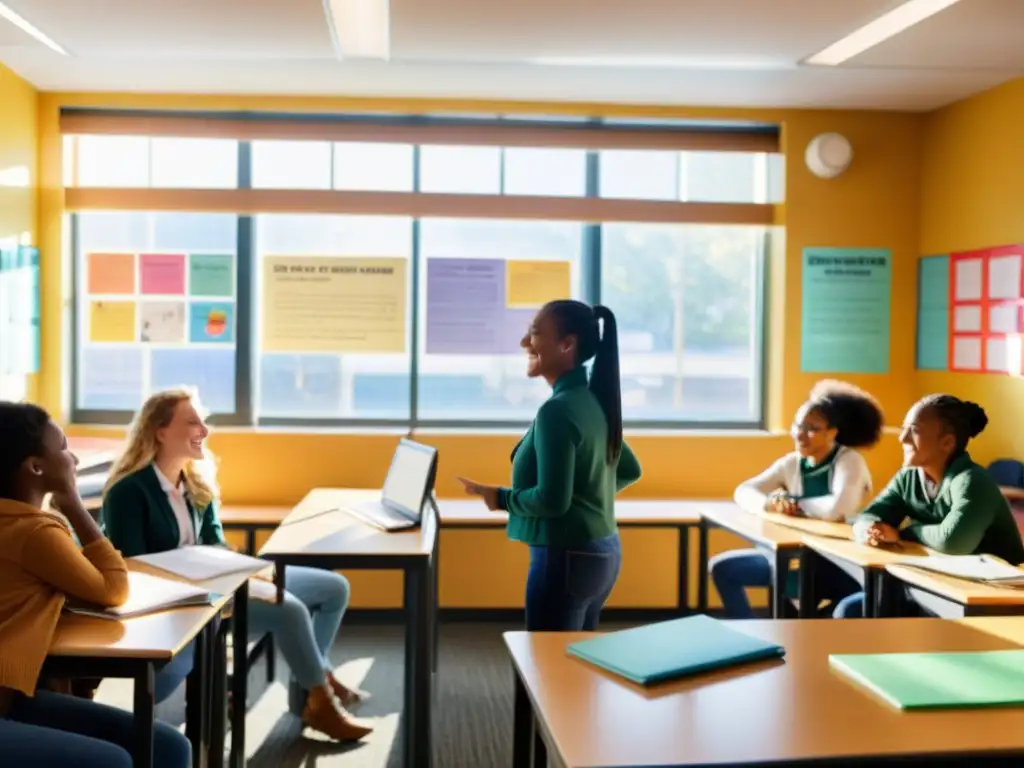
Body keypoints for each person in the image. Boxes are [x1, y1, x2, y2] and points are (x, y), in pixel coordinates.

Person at [101, 389, 372, 742]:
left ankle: (310, 682)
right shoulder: (128, 491)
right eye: (192, 421)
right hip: (185, 603)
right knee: (289, 610)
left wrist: (239, 566)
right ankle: (320, 698)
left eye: (203, 421)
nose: (204, 429)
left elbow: (214, 542)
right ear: (160, 431)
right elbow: (133, 567)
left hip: (219, 581)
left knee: (333, 588)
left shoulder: (197, 483)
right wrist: (205, 570)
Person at [0, 401, 191, 767]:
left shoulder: (22, 522)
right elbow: (112, 589)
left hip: (14, 694)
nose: (72, 459)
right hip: (8, 701)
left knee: (168, 747)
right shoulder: (34, 531)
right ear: (36, 467)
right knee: (114, 761)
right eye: (62, 448)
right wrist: (72, 503)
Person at [457, 300, 642, 631]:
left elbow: (552, 501)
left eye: (535, 334)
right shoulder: (591, 402)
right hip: (603, 551)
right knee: (573, 668)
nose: (524, 343)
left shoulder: (557, 411)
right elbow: (628, 469)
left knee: (547, 668)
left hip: (566, 557)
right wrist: (588, 499)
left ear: (566, 344)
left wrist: (499, 497)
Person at [710, 380, 884, 619]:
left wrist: (792, 502)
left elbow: (837, 509)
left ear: (833, 432)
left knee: (814, 606)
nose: (800, 435)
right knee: (724, 569)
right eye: (797, 426)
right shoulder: (791, 463)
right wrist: (770, 502)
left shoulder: (849, 461)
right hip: (796, 560)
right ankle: (755, 637)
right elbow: (744, 491)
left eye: (811, 428)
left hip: (841, 565)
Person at [839, 394, 1024, 618]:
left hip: (989, 597)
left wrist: (906, 532)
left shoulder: (973, 481)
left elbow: (954, 542)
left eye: (914, 430)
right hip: (934, 582)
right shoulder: (908, 477)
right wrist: (871, 529)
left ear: (947, 443)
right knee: (850, 611)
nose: (902, 438)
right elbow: (868, 516)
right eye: (903, 429)